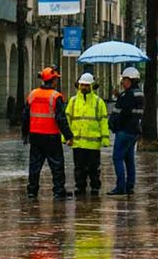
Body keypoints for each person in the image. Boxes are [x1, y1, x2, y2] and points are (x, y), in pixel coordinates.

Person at [25, 67, 73, 199]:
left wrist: (25, 134)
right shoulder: (55, 96)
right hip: (51, 136)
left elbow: (25, 116)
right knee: (57, 164)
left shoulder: (32, 94)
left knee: (34, 165)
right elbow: (61, 118)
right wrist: (68, 136)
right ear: (53, 81)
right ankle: (58, 191)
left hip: (35, 135)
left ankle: (32, 190)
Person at [64, 72, 109, 196]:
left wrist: (105, 139)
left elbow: (103, 121)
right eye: (82, 85)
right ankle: (80, 187)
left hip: (93, 143)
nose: (83, 87)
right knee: (79, 168)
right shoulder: (73, 101)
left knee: (94, 168)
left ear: (91, 86)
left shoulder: (98, 102)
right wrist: (66, 137)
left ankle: (95, 187)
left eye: (86, 85)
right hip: (77, 142)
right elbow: (67, 120)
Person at [107, 67, 143, 196]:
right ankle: (130, 186)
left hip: (124, 131)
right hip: (134, 131)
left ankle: (120, 187)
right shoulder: (139, 93)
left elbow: (122, 113)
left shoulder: (127, 95)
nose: (123, 82)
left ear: (132, 80)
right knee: (129, 159)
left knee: (117, 158)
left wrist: (113, 124)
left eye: (125, 79)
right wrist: (120, 96)